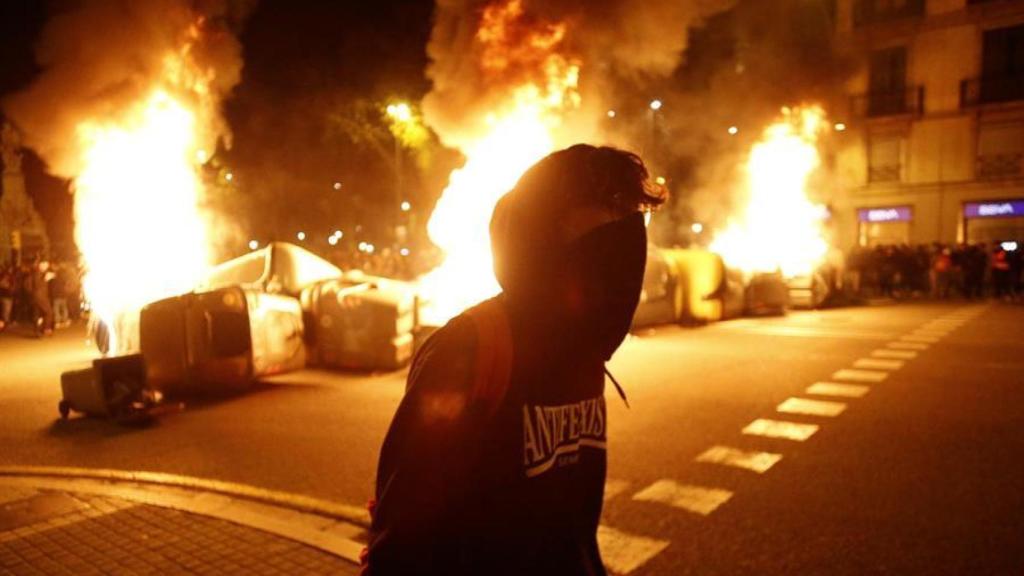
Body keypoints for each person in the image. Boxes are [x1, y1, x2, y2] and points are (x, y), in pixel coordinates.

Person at [362, 145, 663, 575]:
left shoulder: (585, 346)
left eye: (630, 212)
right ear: (547, 228)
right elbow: (403, 534)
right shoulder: (469, 348)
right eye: (606, 208)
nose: (626, 229)